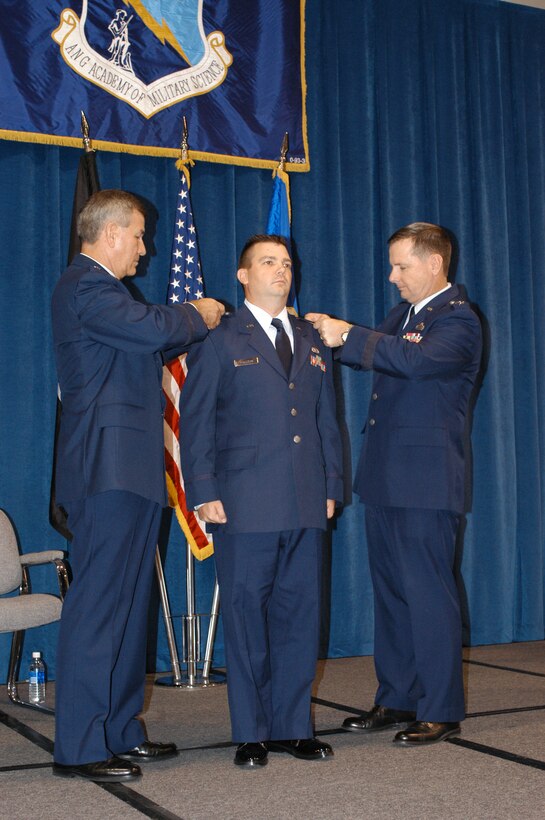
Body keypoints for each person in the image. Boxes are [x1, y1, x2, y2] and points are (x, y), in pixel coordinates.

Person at [51, 189, 224, 782]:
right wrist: (193, 314)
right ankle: (79, 745)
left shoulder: (109, 294)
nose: (147, 249)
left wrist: (201, 329)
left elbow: (153, 338)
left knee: (129, 608)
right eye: (141, 235)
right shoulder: (84, 285)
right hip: (106, 469)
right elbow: (150, 325)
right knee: (99, 608)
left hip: (130, 468)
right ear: (111, 234)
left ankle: (119, 729)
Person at [307, 222, 482, 747]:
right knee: (392, 594)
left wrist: (350, 335)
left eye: (402, 266)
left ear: (434, 264)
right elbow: (374, 349)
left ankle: (440, 707)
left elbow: (413, 361)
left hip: (426, 481)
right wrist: (313, 336)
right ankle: (398, 695)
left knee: (429, 595)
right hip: (386, 476)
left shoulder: (459, 320)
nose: (392, 276)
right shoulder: (407, 316)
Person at [179, 234, 343, 767]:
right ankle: (251, 730)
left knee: (300, 616)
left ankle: (294, 726)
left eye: (287, 263)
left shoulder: (311, 337)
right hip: (244, 499)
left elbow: (324, 421)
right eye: (268, 263)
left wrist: (331, 485)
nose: (281, 271)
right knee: (248, 617)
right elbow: (196, 423)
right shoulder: (221, 339)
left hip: (303, 497)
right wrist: (203, 490)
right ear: (243, 275)